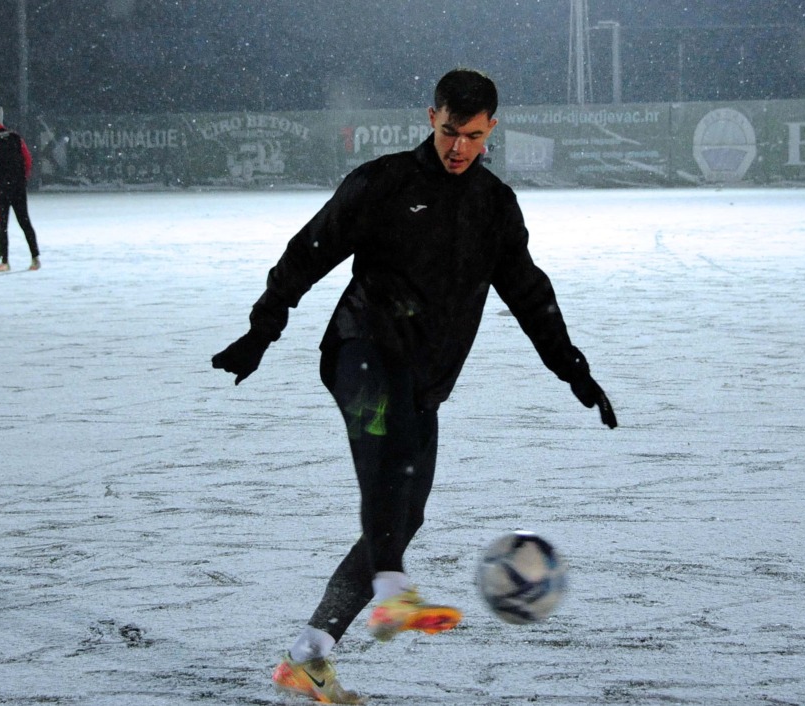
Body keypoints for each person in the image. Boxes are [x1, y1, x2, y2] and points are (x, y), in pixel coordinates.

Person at [211, 68, 616, 704]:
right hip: (361, 351)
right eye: (451, 131)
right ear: (432, 117)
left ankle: (309, 655)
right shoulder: (384, 182)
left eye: (474, 136)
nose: (459, 147)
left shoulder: (493, 204)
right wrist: (263, 330)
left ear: (492, 129)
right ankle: (393, 590)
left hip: (426, 378)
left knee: (405, 513)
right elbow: (306, 252)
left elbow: (529, 293)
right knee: (391, 451)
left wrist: (573, 369)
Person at [0, 105, 41, 273]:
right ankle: (35, 258)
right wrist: (23, 177)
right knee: (24, 221)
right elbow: (27, 159)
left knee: (1, 225)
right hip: (18, 186)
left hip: (1, 188)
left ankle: (4, 261)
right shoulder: (15, 137)